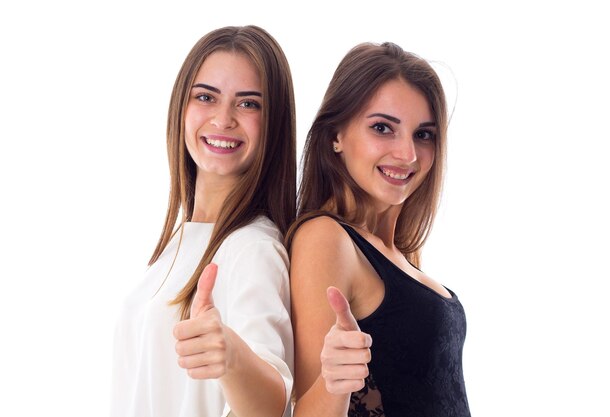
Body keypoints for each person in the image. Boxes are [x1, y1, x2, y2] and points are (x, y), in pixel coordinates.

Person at [110, 25, 296, 417]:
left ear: (274, 123)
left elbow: (273, 405)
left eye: (249, 104)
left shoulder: (253, 249)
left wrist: (232, 358)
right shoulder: (182, 241)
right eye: (206, 97)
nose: (223, 118)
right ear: (182, 105)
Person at [287, 42, 471, 416]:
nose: (408, 155)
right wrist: (335, 380)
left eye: (424, 135)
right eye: (383, 128)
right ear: (335, 135)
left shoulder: (396, 253)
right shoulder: (326, 238)